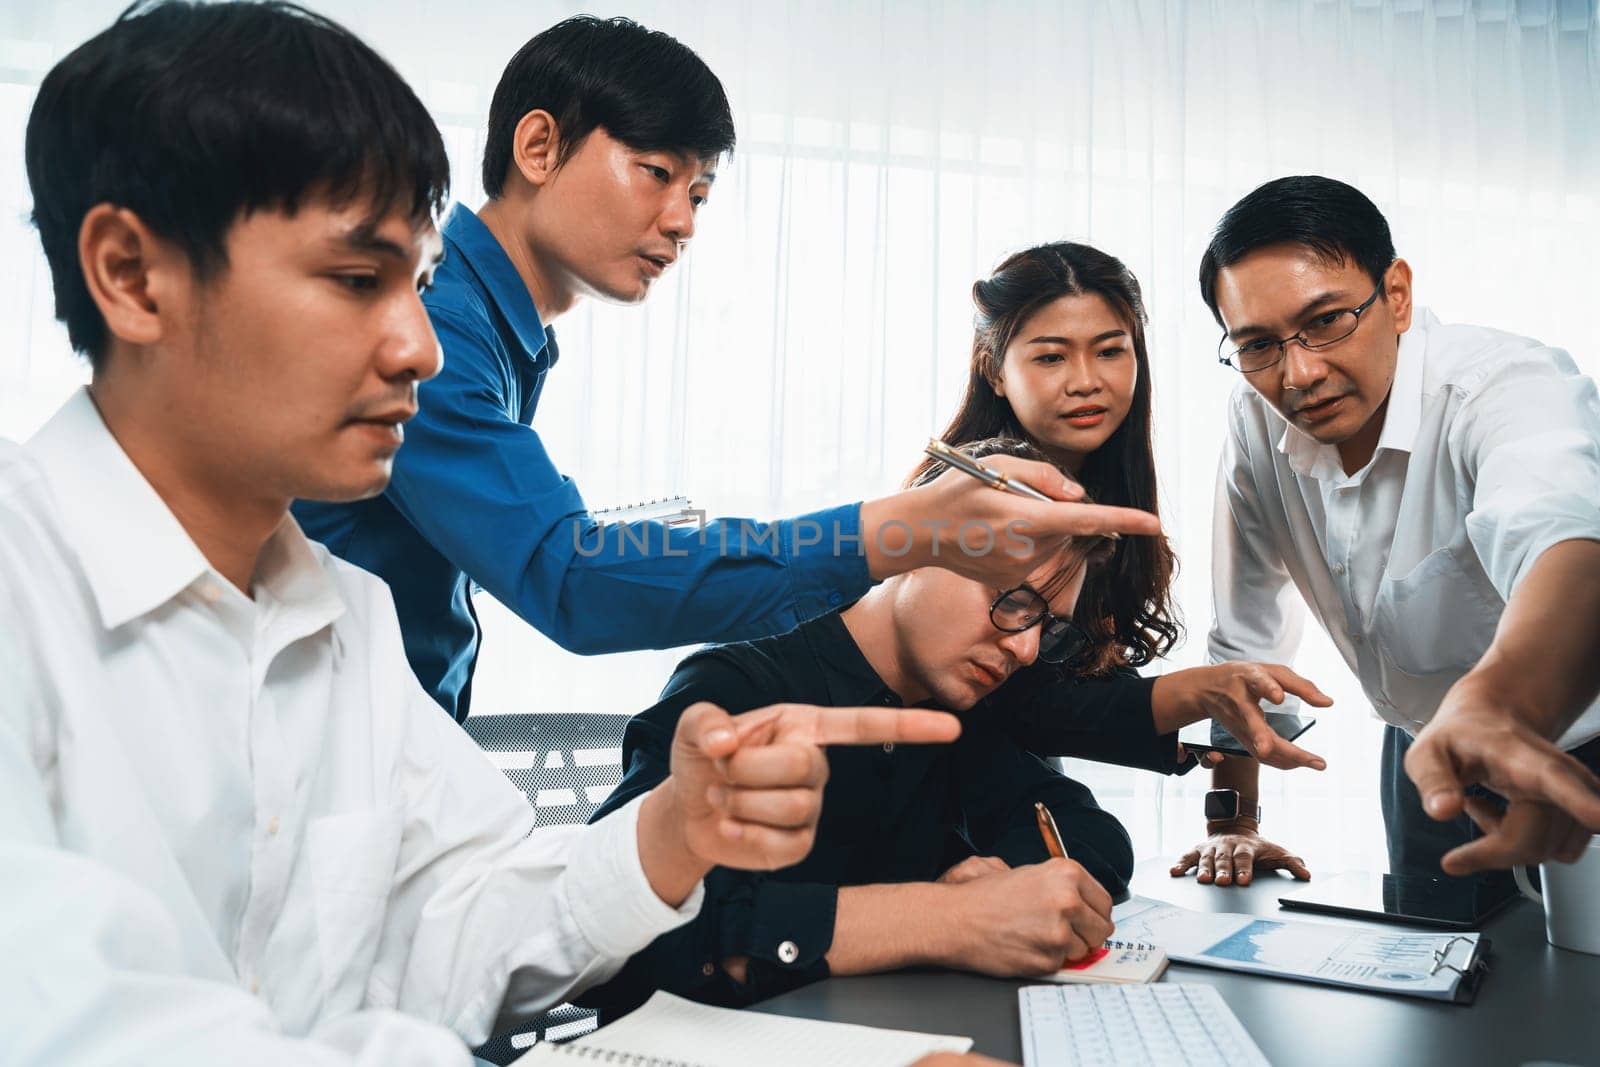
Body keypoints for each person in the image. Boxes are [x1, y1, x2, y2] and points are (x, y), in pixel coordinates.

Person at [0, 5, 962, 1063]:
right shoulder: (22, 586)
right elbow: (87, 1025)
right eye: (358, 279)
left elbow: (462, 927)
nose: (417, 343)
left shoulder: (346, 622)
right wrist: (878, 534)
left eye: (414, 283)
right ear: (135, 278)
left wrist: (672, 829)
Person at [291, 18, 1160, 723]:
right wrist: (896, 531)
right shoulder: (438, 322)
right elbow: (573, 579)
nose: (682, 221)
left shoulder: (491, 329)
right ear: (539, 146)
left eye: (699, 193)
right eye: (656, 172)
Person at [578, 439, 1135, 1018]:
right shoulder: (737, 687)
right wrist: (944, 919)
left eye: (1046, 628)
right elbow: (610, 934)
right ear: (919, 544)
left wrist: (999, 883)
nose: (1023, 648)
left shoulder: (955, 713)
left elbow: (1090, 832)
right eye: (1010, 599)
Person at [1173, 175, 1600, 886]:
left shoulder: (1502, 385)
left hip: (1577, 746)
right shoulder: (1254, 424)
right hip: (1421, 757)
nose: (1299, 374)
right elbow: (1245, 647)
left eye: (1327, 321)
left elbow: (1566, 545)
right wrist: (1234, 823)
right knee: (1423, 976)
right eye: (1257, 345)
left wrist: (1497, 708)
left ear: (1395, 295)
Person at [917, 242, 1331, 786]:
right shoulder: (976, 493)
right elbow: (1020, 704)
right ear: (994, 371)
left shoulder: (1105, 489)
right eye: (1051, 357)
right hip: (920, 776)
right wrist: (1194, 696)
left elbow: (1066, 694)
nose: (1086, 380)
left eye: (1110, 351)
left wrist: (1233, 823)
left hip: (1008, 776)